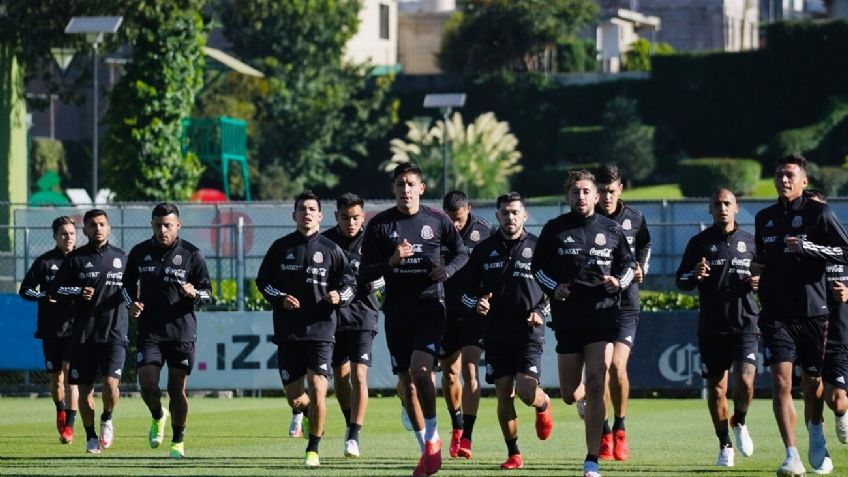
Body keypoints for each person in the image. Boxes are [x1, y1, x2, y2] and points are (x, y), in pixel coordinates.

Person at [360, 162, 468, 477]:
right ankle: (427, 449)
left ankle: (433, 438)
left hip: (430, 306)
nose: (406, 190)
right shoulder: (379, 225)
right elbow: (364, 273)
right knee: (406, 385)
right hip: (396, 311)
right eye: (400, 184)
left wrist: (446, 271)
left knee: (423, 372)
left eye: (411, 184)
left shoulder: (437, 221)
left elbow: (462, 254)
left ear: (421, 188)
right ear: (393, 189)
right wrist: (392, 261)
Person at [531, 170, 634, 477]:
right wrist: (554, 288)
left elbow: (629, 266)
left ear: (597, 195)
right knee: (568, 392)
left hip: (603, 317)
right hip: (568, 320)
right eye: (576, 192)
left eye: (587, 191)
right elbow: (537, 268)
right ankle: (583, 403)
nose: (582, 197)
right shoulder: (554, 229)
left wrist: (619, 282)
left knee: (597, 381)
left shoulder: (611, 229)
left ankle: (592, 459)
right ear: (568, 196)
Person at [754, 154, 848, 476]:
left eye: (790, 175)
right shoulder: (764, 218)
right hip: (776, 315)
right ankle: (791, 455)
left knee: (812, 384)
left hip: (813, 314)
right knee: (781, 382)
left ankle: (816, 428)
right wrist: (757, 272)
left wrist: (809, 248)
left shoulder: (819, 213)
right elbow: (762, 258)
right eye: (779, 174)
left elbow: (844, 251)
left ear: (803, 181)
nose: (784, 179)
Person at [256, 190, 356, 468]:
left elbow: (350, 284)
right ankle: (307, 413)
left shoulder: (332, 250)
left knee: (318, 387)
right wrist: (280, 298)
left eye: (312, 209)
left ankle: (313, 448)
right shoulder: (280, 247)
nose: (307, 213)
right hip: (289, 332)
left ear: (321, 216)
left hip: (322, 330)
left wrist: (340, 296)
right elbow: (263, 282)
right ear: (294, 215)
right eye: (302, 209)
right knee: (296, 398)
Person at [461, 192, 552, 469]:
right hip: (496, 333)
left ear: (524, 215)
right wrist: (477, 303)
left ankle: (543, 404)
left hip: (528, 332)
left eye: (515, 212)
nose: (510, 217)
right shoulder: (483, 250)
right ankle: (514, 453)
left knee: (525, 391)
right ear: (497, 216)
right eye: (505, 213)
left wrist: (540, 312)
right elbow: (465, 292)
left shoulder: (539, 248)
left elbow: (554, 290)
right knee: (503, 392)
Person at [675, 189, 759, 467]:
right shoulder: (699, 243)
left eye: (727, 204)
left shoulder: (751, 242)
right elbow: (682, 280)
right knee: (717, 390)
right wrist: (695, 275)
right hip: (712, 326)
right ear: (709, 209)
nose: (722, 208)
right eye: (717, 204)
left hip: (746, 322)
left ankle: (741, 421)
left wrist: (761, 282)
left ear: (736, 208)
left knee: (746, 381)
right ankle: (724, 445)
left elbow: (769, 276)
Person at [123, 203, 212, 459]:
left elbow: (207, 293)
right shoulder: (140, 252)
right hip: (150, 331)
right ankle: (158, 414)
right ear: (152, 225)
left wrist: (194, 293)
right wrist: (132, 304)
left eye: (168, 225)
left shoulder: (192, 254)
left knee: (176, 389)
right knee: (147, 384)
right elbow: (126, 285)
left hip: (181, 332)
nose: (162, 230)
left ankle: (178, 440)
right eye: (157, 225)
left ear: (178, 225)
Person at [52, 209, 128, 455]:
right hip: (84, 336)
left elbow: (133, 291)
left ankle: (107, 417)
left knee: (110, 383)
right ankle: (90, 436)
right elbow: (54, 291)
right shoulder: (74, 260)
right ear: (85, 230)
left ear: (109, 228)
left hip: (115, 334)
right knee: (84, 392)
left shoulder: (122, 258)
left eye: (102, 224)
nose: (98, 229)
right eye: (93, 225)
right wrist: (76, 291)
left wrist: (136, 304)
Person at [594, 164, 651, 461]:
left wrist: (642, 267)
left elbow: (645, 247)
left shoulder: (635, 219)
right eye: (601, 191)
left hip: (627, 303)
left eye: (611, 191)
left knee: (618, 367)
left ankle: (620, 429)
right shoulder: (588, 220)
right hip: (597, 306)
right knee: (601, 371)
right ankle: (604, 432)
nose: (606, 197)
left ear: (621, 189)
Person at [322, 193, 383, 458]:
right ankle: (349, 422)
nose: (351, 222)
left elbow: (386, 275)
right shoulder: (324, 242)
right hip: (333, 316)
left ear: (363, 216)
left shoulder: (374, 241)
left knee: (359, 374)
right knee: (341, 376)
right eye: (345, 217)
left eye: (356, 217)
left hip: (363, 315)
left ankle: (354, 435)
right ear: (336, 216)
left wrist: (363, 284)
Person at [438, 190, 494, 459]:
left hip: (474, 312)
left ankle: (467, 437)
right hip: (446, 311)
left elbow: (497, 269)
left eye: (458, 219)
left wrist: (487, 297)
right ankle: (457, 426)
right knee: (450, 374)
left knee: (470, 369)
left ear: (469, 209)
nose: (454, 225)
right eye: (450, 219)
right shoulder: (437, 231)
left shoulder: (485, 231)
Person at [19, 216, 79, 444]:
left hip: (75, 330)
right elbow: (25, 289)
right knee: (56, 379)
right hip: (51, 330)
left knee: (70, 375)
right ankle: (60, 410)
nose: (68, 237)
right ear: (55, 236)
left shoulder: (83, 260)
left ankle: (70, 427)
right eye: (63, 233)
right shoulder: (45, 262)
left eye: (72, 233)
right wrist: (43, 295)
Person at [803, 189, 843, 474]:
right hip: (809, 330)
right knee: (811, 391)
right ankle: (820, 449)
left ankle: (842, 413)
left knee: (836, 398)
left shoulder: (843, 248)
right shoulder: (799, 253)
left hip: (840, 335)